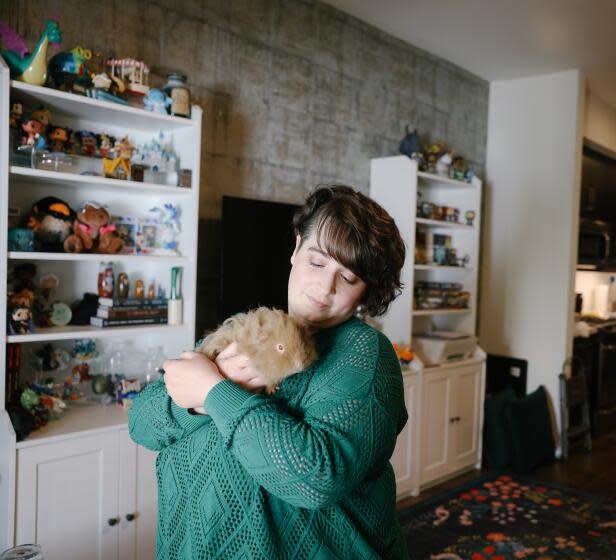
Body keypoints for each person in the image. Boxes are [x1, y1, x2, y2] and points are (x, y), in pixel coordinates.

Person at [129, 185, 409, 559]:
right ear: (295, 249)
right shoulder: (252, 329)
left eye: (348, 277)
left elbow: (316, 480)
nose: (325, 288)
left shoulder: (363, 352)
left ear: (364, 290)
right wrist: (198, 399)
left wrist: (215, 391)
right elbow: (141, 425)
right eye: (317, 261)